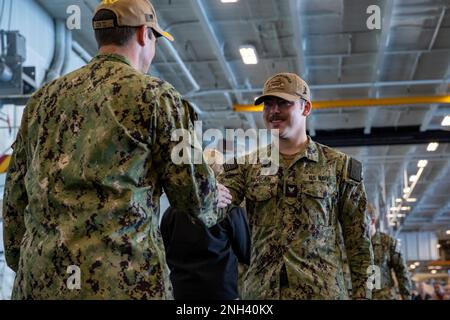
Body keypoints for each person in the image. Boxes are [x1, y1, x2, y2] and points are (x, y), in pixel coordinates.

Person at [2, 0, 231, 299]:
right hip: (122, 283)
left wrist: (27, 263)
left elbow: (15, 196)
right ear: (143, 34)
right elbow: (195, 199)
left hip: (40, 282)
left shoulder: (42, 99)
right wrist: (215, 196)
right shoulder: (157, 97)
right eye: (155, 39)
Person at [219, 72, 374, 300]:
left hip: (322, 293)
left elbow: (360, 244)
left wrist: (367, 294)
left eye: (284, 103)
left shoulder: (339, 167)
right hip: (262, 294)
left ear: (306, 108)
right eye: (268, 104)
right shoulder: (245, 167)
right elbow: (211, 212)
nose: (274, 111)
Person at [160, 149, 251, 300]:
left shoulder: (172, 211)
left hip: (182, 291)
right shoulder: (230, 210)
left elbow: (165, 251)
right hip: (222, 291)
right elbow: (246, 251)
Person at [369, 204, 412, 300]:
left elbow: (402, 272)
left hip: (384, 296)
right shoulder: (353, 243)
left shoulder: (388, 243)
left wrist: (406, 297)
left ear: (372, 221)